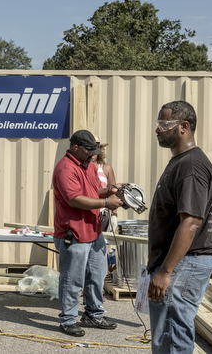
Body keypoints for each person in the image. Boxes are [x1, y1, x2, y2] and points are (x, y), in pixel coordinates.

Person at [147, 101, 212, 354]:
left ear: (184, 127)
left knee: (172, 340)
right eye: (158, 124)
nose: (158, 129)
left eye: (164, 124)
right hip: (180, 264)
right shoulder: (181, 162)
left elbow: (191, 221)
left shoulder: (191, 165)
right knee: (166, 339)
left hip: (183, 264)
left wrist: (165, 272)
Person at [52, 129, 124, 337]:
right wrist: (105, 202)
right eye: (89, 150)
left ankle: (93, 313)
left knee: (97, 275)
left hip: (94, 230)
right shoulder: (65, 168)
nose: (93, 154)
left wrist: (110, 190)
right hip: (74, 232)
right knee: (73, 279)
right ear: (75, 148)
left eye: (95, 150)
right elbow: (74, 199)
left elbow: (93, 192)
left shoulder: (89, 166)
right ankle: (67, 320)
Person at [92, 137, 118, 232]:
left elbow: (112, 192)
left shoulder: (106, 168)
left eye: (96, 148)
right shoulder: (81, 169)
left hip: (101, 213)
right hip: (86, 212)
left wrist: (114, 215)